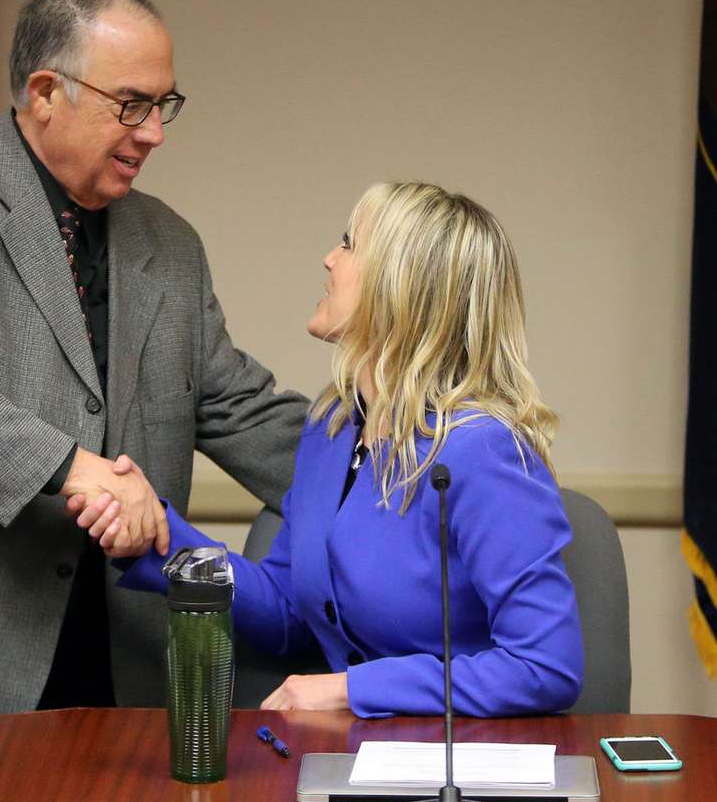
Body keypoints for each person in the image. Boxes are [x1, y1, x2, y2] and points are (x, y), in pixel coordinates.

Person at [0, 0, 307, 720]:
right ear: (46, 92)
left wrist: (400, 470)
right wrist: (71, 467)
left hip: (126, 653)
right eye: (132, 105)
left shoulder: (171, 243)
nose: (154, 131)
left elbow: (238, 407)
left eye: (164, 105)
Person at [113, 182, 584, 717]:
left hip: (462, 772)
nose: (329, 259)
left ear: (399, 287)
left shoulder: (483, 449)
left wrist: (349, 689)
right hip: (356, 760)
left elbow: (545, 667)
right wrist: (160, 539)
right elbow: (292, 609)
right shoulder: (332, 430)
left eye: (348, 243)